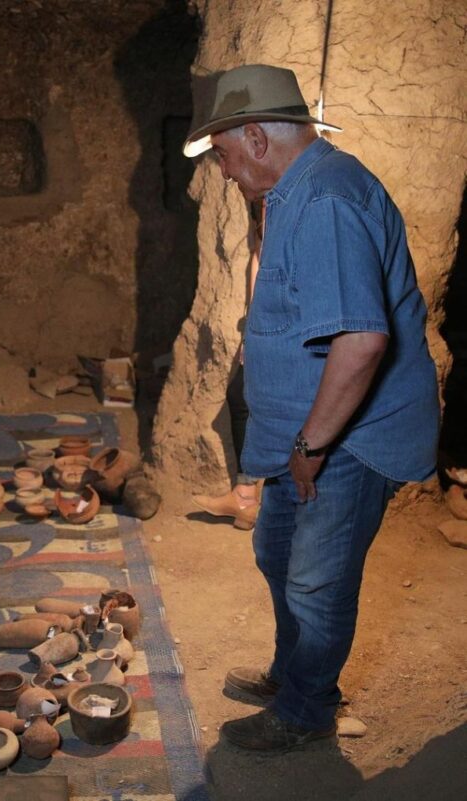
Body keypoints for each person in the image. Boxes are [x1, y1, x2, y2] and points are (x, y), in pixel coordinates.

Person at [182, 65, 439, 752]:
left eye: (225, 157)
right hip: (312, 427)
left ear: (258, 137)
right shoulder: (295, 189)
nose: (226, 172)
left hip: (350, 435)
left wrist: (311, 446)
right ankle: (291, 674)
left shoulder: (324, 198)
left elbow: (360, 341)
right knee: (276, 552)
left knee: (315, 578)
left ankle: (304, 708)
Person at [192, 200, 264, 530]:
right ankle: (246, 497)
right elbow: (258, 255)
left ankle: (254, 499)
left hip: (294, 322)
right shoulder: (268, 199)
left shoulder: (302, 198)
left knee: (252, 400)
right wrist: (253, 323)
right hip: (267, 320)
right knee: (240, 396)